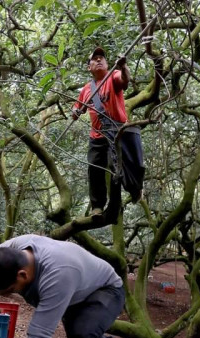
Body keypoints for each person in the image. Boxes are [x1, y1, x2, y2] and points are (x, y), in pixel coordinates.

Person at [72, 46, 145, 217]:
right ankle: (97, 206)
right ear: (89, 67)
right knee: (94, 168)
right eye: (94, 59)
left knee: (117, 167)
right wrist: (75, 112)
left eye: (101, 58)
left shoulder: (113, 77)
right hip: (97, 135)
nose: (98, 60)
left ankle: (126, 195)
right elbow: (76, 111)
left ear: (107, 63)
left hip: (117, 131)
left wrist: (123, 66)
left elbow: (125, 80)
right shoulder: (86, 89)